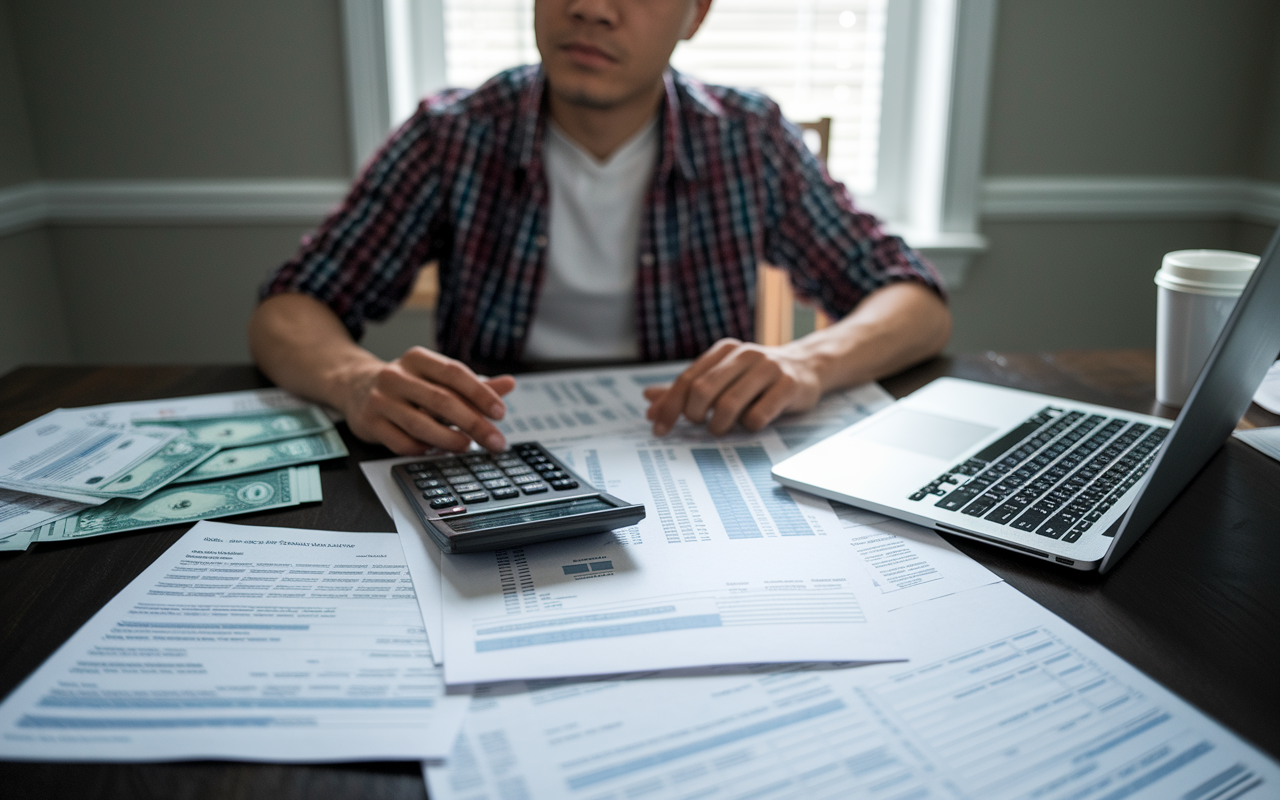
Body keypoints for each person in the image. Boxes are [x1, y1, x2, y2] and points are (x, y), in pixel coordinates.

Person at [249, 0, 951, 456]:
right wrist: (354, 381)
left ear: (695, 14)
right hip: (490, 456)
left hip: (695, 455)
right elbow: (291, 309)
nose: (590, 9)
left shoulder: (748, 136)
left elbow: (913, 301)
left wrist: (806, 362)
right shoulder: (452, 134)